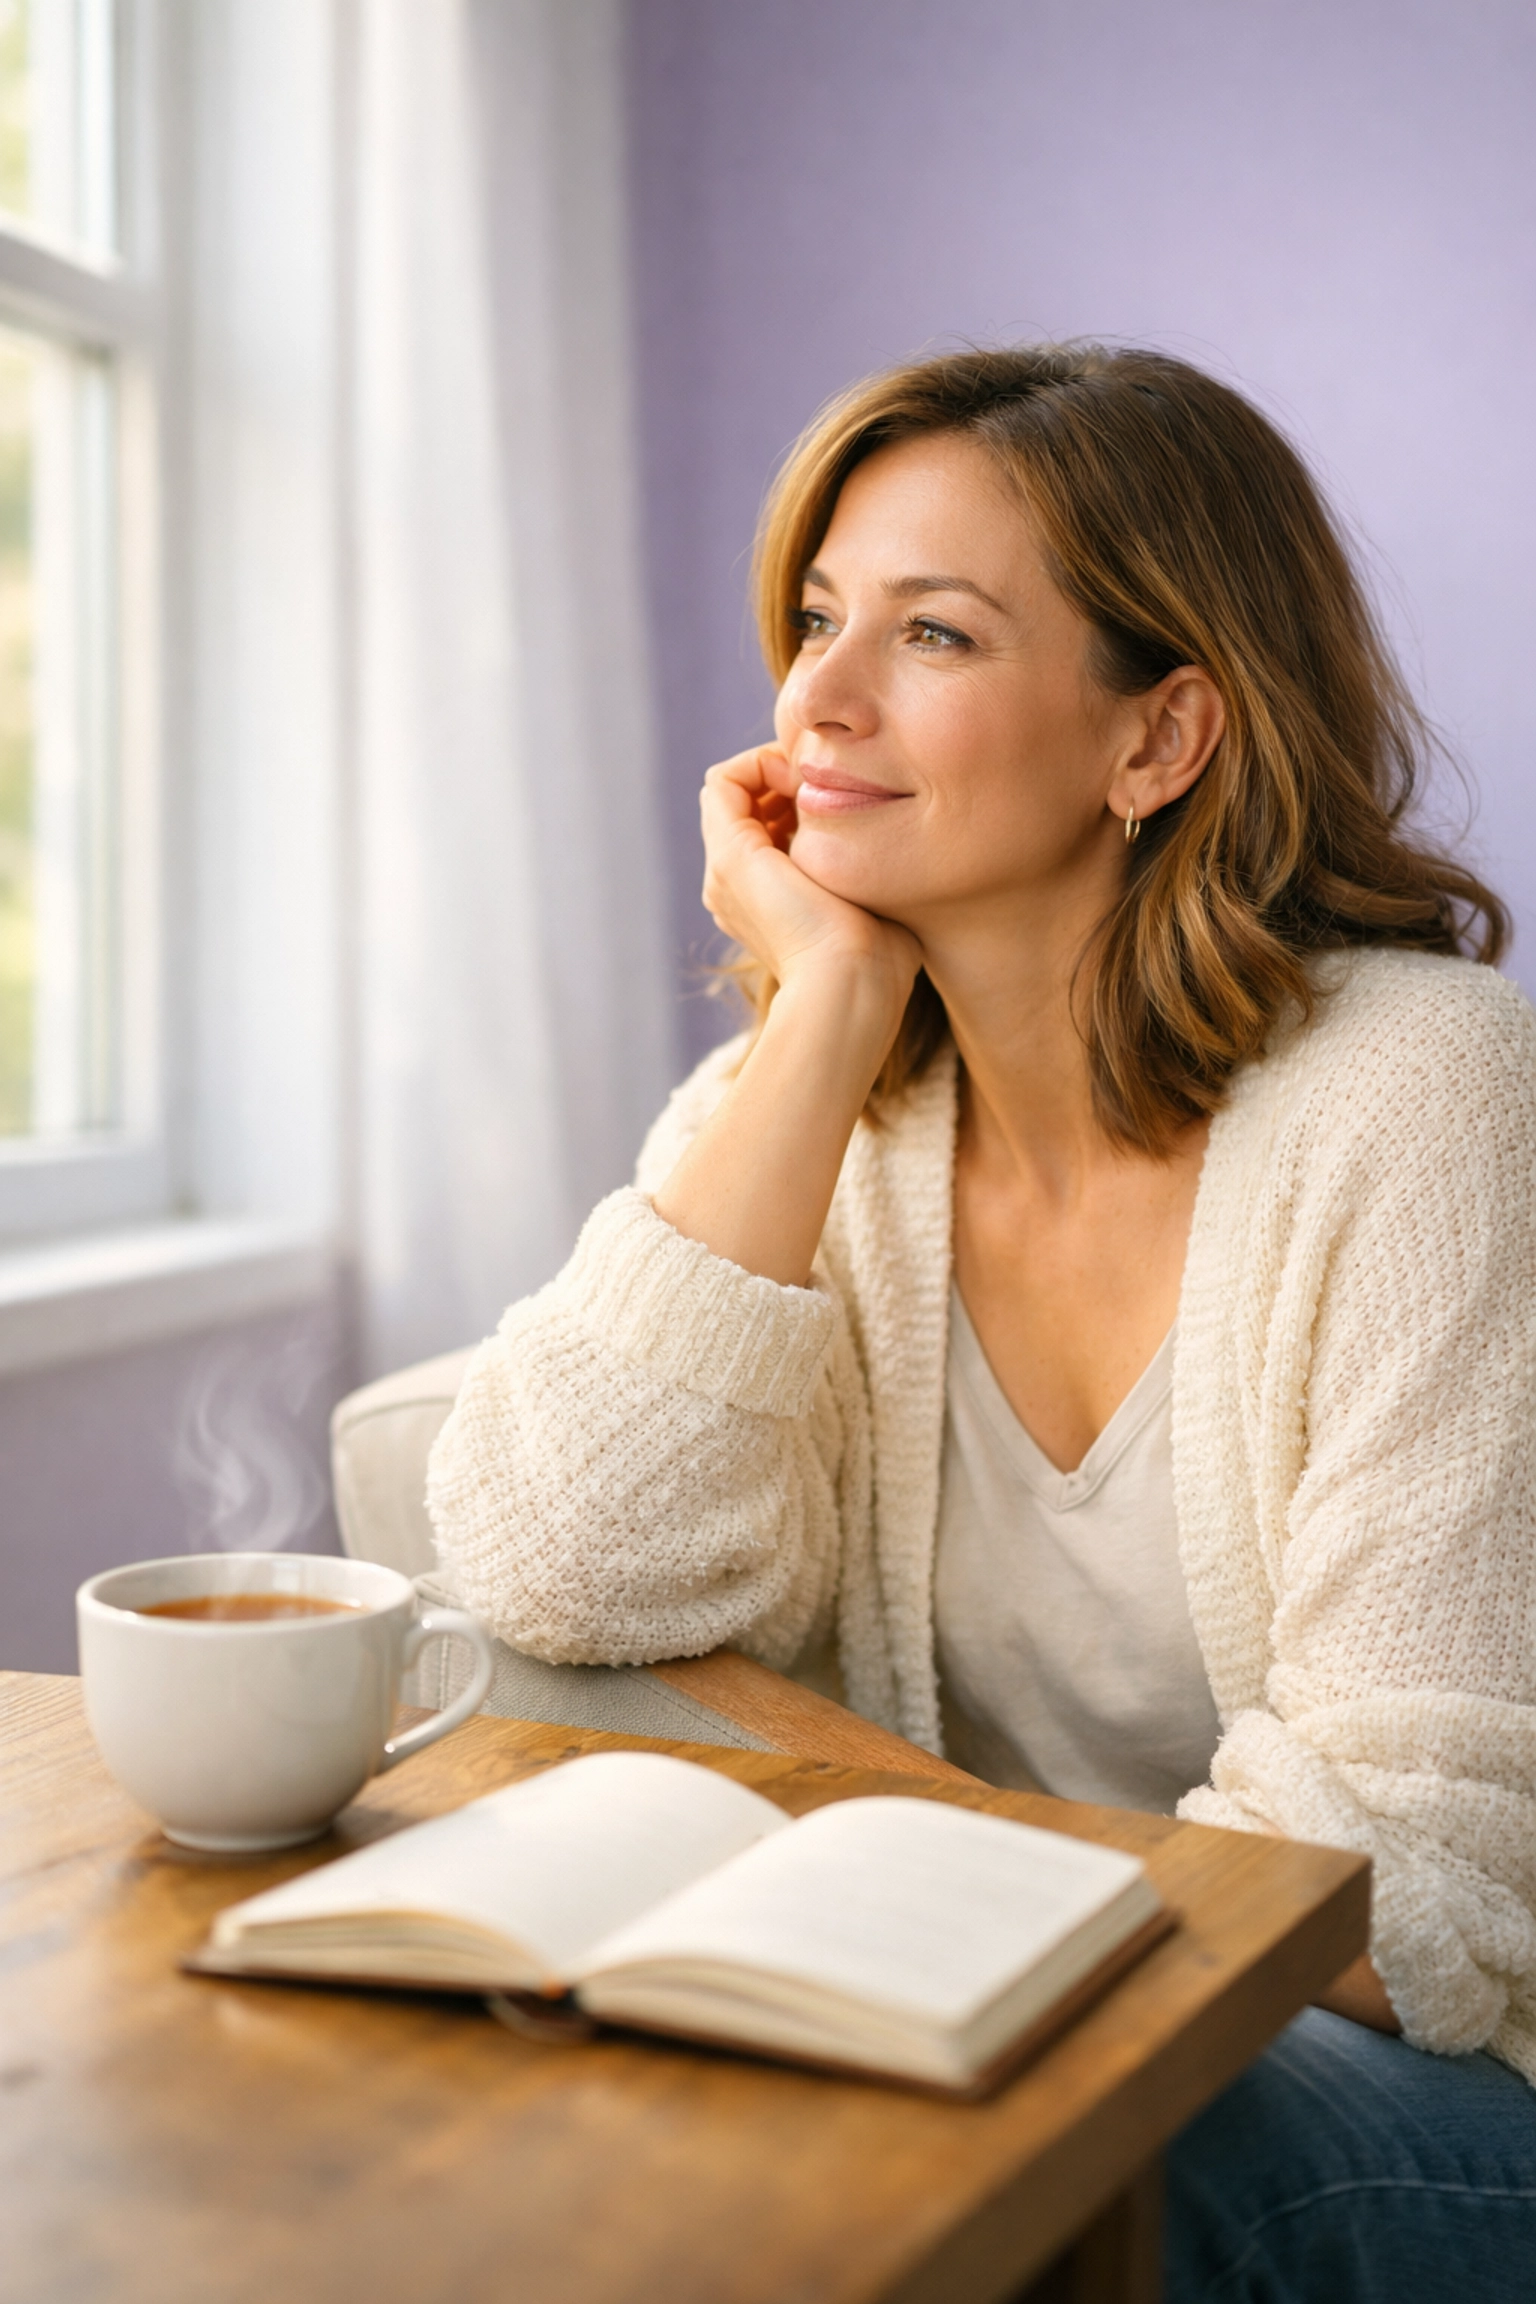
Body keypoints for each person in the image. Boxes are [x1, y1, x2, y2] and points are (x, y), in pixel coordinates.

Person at [427, 345, 1536, 2299]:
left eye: (930, 633)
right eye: (814, 620)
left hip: (1397, 2070)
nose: (817, 702)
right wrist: (831, 1012)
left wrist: (907, 1876)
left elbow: (1411, 1872)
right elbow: (554, 1573)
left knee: (1075, 2167)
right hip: (974, 2002)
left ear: (1160, 738)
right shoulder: (819, 1105)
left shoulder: (1431, 1100)